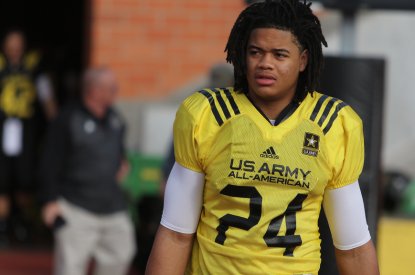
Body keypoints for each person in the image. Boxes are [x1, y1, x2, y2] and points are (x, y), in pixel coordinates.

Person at [146, 0, 379, 274]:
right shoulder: (207, 115)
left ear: (303, 60)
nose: (265, 63)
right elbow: (175, 233)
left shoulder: (333, 124)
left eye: (279, 54)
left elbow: (353, 247)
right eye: (256, 52)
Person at [39, 67, 135, 275]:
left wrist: (123, 163)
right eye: (112, 88)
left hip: (112, 207)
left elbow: (120, 152)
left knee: (122, 254)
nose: (115, 92)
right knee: (71, 267)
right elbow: (50, 162)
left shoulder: (115, 119)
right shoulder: (67, 119)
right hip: (76, 207)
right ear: (94, 90)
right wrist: (50, 200)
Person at [0, 29, 56, 246]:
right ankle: (3, 226)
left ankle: (22, 222)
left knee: (25, 178)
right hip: (3, 129)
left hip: (26, 130)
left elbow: (47, 98)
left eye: (18, 44)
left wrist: (55, 124)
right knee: (2, 180)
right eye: (10, 44)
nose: (14, 49)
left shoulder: (34, 68)